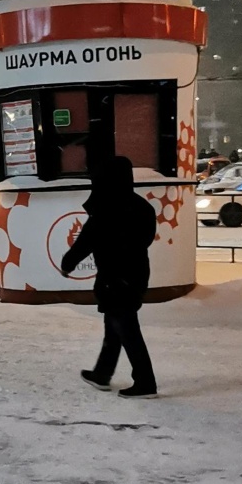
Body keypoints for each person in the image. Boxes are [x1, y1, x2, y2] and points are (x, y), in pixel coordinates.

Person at [60, 154, 159, 397]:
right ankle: (102, 373)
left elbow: (86, 242)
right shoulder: (141, 207)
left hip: (114, 279)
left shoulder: (107, 208)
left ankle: (145, 382)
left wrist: (68, 264)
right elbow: (144, 239)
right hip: (135, 275)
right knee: (115, 326)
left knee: (127, 330)